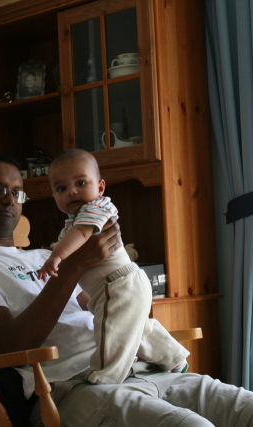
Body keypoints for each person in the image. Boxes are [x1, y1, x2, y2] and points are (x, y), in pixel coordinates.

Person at [0, 152, 253, 427]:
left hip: (141, 369)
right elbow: (12, 344)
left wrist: (123, 292)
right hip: (73, 390)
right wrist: (75, 265)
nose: (9, 199)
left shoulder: (44, 255)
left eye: (18, 193)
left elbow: (99, 306)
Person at [38, 149, 189, 384]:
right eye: (61, 188)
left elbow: (81, 233)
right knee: (135, 328)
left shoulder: (94, 208)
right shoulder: (75, 219)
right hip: (122, 284)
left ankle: (105, 376)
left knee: (113, 331)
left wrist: (56, 256)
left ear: (100, 187)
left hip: (117, 285)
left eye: (81, 183)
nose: (72, 191)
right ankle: (174, 358)